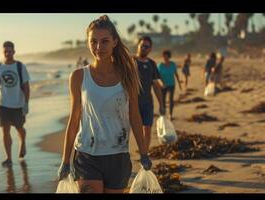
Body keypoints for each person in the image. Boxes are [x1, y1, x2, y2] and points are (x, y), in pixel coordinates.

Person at [57, 15, 152, 193]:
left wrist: (144, 153)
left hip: (118, 155)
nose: (98, 47)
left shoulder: (127, 75)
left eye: (105, 41)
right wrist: (65, 160)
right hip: (87, 155)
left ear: (115, 42)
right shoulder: (78, 77)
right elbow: (74, 119)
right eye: (93, 41)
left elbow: (134, 115)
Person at [0, 41, 30, 166]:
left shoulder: (20, 67)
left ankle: (23, 143)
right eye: (5, 51)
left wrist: (26, 104)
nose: (7, 53)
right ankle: (8, 158)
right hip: (3, 104)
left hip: (18, 105)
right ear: (3, 52)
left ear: (14, 52)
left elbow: (26, 87)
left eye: (10, 51)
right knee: (5, 131)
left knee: (20, 128)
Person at [134, 36, 165, 152]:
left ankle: (144, 154)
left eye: (146, 47)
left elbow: (156, 85)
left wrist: (161, 104)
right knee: (129, 130)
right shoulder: (131, 61)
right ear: (138, 46)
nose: (143, 48)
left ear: (150, 49)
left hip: (147, 103)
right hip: (132, 104)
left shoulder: (152, 64)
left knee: (147, 129)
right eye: (142, 46)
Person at [157, 50, 182, 120]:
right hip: (163, 85)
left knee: (171, 99)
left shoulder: (173, 64)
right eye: (164, 56)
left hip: (171, 84)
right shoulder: (160, 66)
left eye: (166, 56)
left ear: (169, 57)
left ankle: (170, 114)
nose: (165, 58)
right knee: (163, 100)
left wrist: (179, 83)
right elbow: (157, 76)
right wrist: (161, 83)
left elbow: (176, 74)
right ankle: (164, 114)